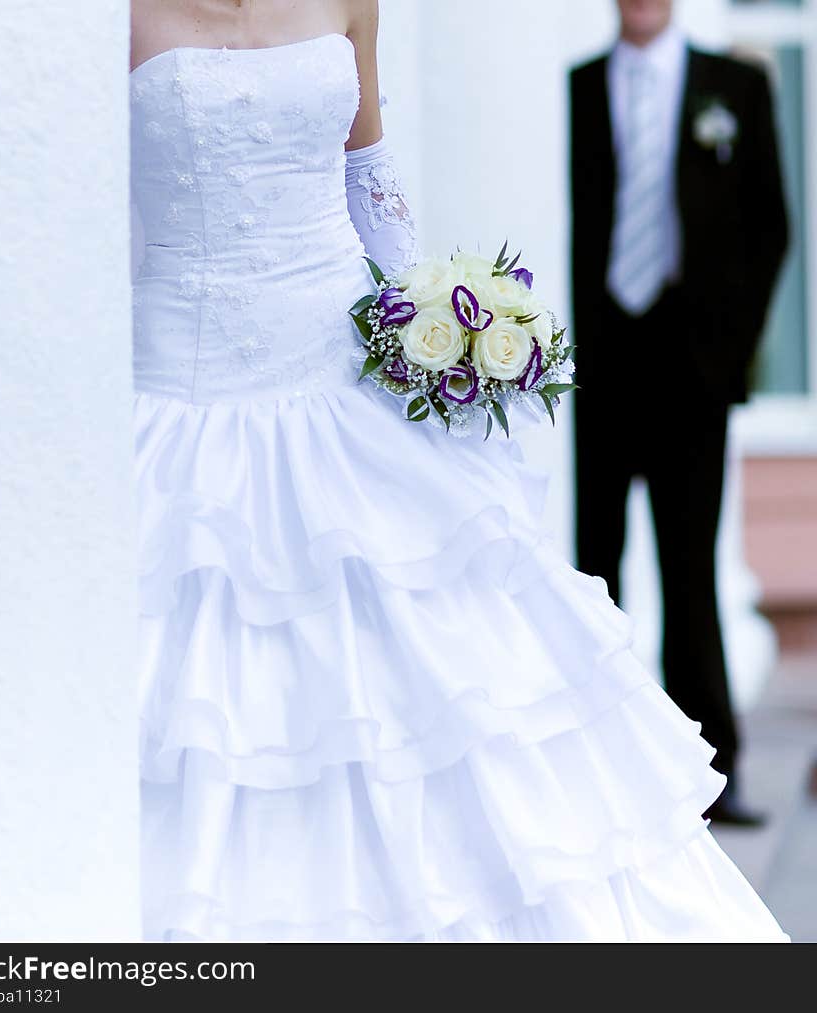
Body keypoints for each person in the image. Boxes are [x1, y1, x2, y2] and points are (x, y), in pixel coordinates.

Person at [131, 0, 788, 940]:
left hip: (341, 380)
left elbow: (370, 176)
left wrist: (447, 330)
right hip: (175, 390)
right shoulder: (108, 15)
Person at [569, 0, 789, 827]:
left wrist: (728, 349)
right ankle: (598, 766)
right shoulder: (577, 89)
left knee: (690, 573)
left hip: (693, 371)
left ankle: (711, 775)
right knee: (595, 567)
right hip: (596, 366)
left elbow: (772, 226)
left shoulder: (733, 84)